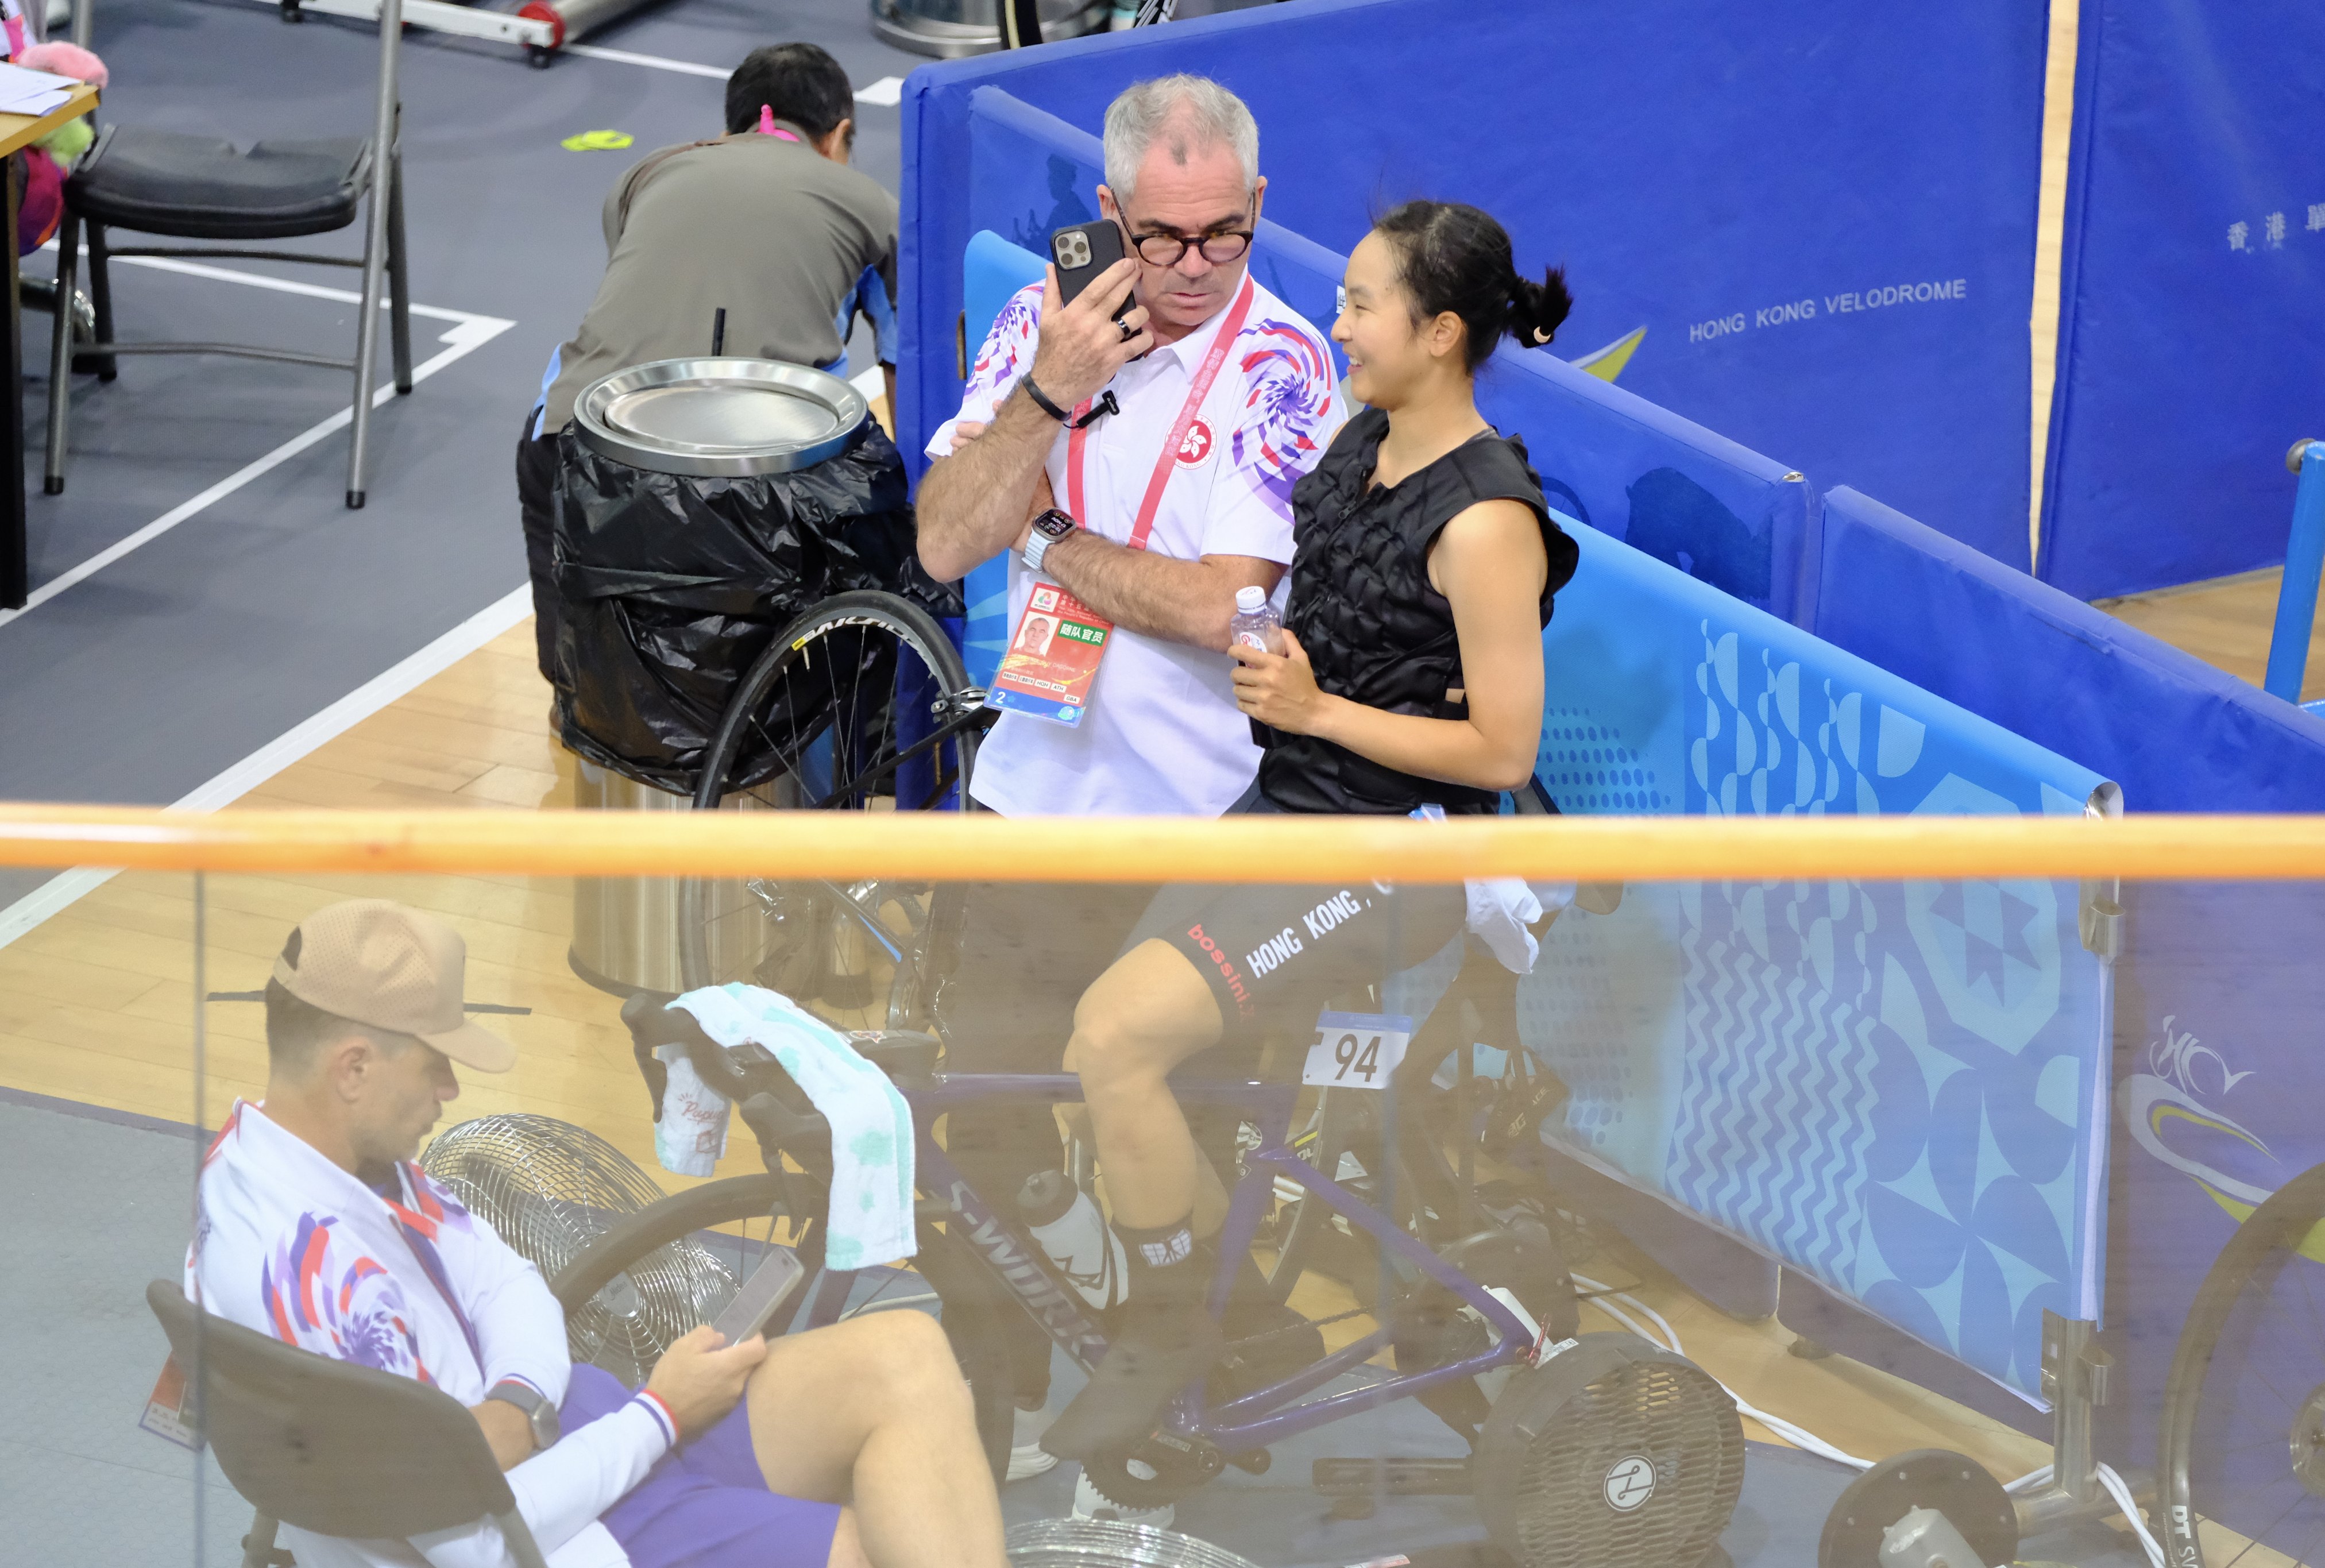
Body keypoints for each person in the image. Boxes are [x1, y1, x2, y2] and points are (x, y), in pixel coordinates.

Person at [1037, 200, 1579, 1463]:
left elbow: (1503, 754)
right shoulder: (1359, 443)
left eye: (1358, 306)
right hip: (1288, 809)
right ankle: (1250, 1329)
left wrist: (1318, 702)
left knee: (1118, 1043)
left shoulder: (1488, 520)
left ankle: (1166, 1328)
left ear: (1439, 332)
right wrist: (1277, 652)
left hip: (1395, 853)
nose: (1333, 325)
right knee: (1114, 1057)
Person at [911, 74, 1347, 1482]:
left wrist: (1046, 546)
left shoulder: (1285, 365)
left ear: (1259, 212)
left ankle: (1212, 1381)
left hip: (1205, 817)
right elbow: (939, 539)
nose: (1194, 270)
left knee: (1164, 1115)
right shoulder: (1050, 327)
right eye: (1163, 240)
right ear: (1109, 217)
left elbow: (1229, 607)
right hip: (1036, 794)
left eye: (1224, 235)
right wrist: (1051, 396)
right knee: (976, 1132)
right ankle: (987, 1422)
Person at [186, 899, 1006, 1568]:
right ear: (354, 1066)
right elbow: (477, 1542)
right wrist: (658, 1414)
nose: (449, 1085)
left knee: (904, 1351)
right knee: (867, 1548)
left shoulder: (320, 1155)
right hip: (561, 1534)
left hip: (582, 1439)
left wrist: (513, 1404)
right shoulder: (307, 1279)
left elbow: (509, 1282)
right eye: (433, 1061)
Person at [516, 42, 899, 683]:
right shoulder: (874, 207)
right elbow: (906, 371)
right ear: (841, 135)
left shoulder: (645, 176)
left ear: (728, 131)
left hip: (565, 449)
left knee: (586, 690)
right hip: (747, 483)